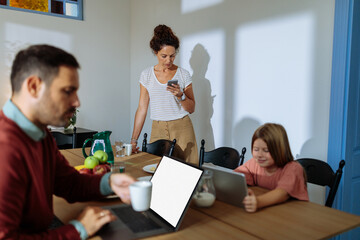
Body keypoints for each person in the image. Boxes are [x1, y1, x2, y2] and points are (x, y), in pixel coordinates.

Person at [0, 44, 135, 239]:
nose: (77, 102)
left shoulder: (40, 134)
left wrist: (110, 182)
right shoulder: (6, 148)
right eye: (68, 91)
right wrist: (78, 229)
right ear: (33, 87)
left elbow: (68, 182)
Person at [131, 24, 198, 165]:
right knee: (156, 171)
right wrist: (134, 139)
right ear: (155, 52)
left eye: (172, 56)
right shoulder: (146, 75)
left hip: (183, 129)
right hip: (158, 129)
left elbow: (191, 108)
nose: (169, 60)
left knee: (188, 173)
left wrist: (181, 96)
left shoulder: (183, 74)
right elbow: (142, 109)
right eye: (164, 56)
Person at [234, 123, 308, 212]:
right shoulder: (255, 163)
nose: (259, 155)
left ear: (280, 149)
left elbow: (282, 193)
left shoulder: (293, 168)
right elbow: (236, 176)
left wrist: (258, 201)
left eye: (266, 150)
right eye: (256, 149)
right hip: (270, 212)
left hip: (292, 214)